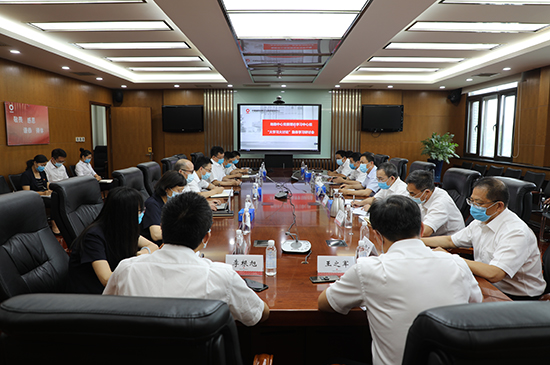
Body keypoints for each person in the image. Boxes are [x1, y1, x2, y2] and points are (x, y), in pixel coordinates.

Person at [318, 195, 482, 365]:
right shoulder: (457, 263)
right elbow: (475, 307)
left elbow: (325, 303)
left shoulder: (368, 269)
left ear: (377, 235)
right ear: (421, 227)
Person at [104, 192, 270, 327]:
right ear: (206, 237)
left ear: (162, 228)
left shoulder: (126, 270)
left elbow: (103, 315)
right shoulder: (222, 276)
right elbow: (259, 314)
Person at [423, 177, 546, 300]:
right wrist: (416, 240)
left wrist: (450, 258)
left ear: (498, 206)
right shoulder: (482, 221)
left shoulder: (515, 232)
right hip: (487, 283)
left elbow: (494, 273)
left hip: (516, 297)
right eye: (471, 201)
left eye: (479, 203)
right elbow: (450, 241)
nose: (473, 207)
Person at [68, 186, 159, 294]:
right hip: (92, 296)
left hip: (117, 288)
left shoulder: (124, 228)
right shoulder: (93, 237)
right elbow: (107, 279)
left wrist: (138, 255)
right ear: (125, 213)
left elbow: (153, 246)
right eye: (139, 211)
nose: (142, 214)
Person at [405, 170, 464, 236]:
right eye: (408, 192)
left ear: (427, 192)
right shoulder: (423, 196)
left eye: (412, 193)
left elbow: (425, 232)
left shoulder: (441, 203)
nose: (410, 196)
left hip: (450, 242)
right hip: (434, 237)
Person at [141, 171, 186, 246]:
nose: (180, 194)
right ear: (167, 189)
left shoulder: (170, 202)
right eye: (178, 191)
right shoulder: (152, 204)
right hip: (155, 247)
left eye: (181, 191)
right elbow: (155, 234)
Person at [21, 154, 60, 234]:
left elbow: (47, 184)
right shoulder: (26, 175)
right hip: (34, 197)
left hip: (45, 195)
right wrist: (43, 193)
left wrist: (51, 189)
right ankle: (54, 224)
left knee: (59, 198)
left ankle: (60, 223)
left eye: (45, 165)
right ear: (35, 163)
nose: (43, 167)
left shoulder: (42, 173)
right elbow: (27, 192)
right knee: (53, 202)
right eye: (42, 165)